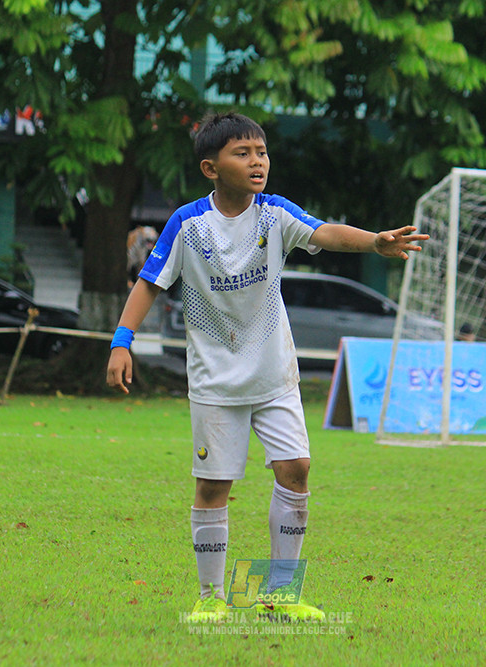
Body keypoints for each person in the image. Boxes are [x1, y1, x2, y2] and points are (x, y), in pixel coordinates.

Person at [105, 111, 428, 623]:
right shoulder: (188, 224)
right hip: (215, 381)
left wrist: (374, 241)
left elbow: (324, 232)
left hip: (275, 377)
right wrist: (122, 342)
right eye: (243, 153)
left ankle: (281, 594)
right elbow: (149, 282)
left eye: (261, 152)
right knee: (214, 486)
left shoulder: (275, 213)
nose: (258, 161)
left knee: (296, 469)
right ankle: (211, 598)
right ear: (211, 168)